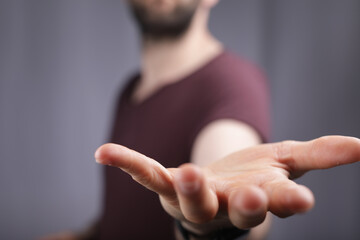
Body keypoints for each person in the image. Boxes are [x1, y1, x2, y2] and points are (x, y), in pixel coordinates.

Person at [42, 0, 360, 239]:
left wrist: (214, 221)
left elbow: (229, 177)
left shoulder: (232, 82)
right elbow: (128, 216)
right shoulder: (129, 91)